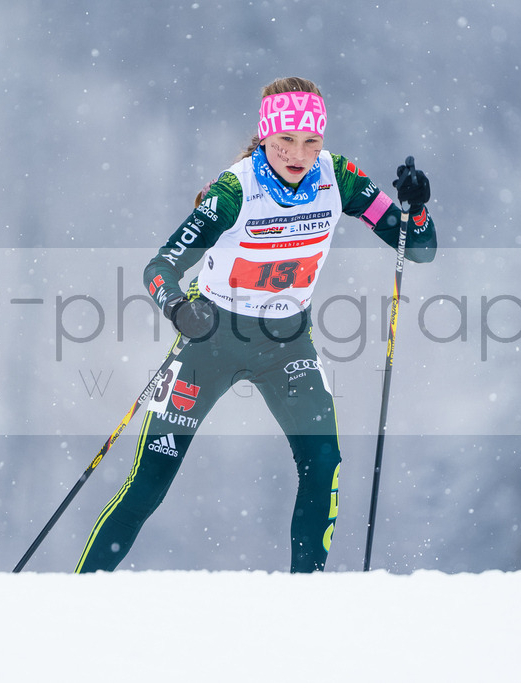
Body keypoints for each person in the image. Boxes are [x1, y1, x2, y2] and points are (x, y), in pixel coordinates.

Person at [75, 76, 437, 573]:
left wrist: (416, 211)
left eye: (310, 141)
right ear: (265, 135)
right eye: (286, 140)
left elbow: (416, 248)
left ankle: (303, 601)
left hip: (285, 345)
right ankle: (80, 595)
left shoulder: (341, 178)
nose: (298, 153)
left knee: (323, 465)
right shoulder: (233, 190)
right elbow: (158, 269)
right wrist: (180, 309)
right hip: (210, 341)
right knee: (149, 484)